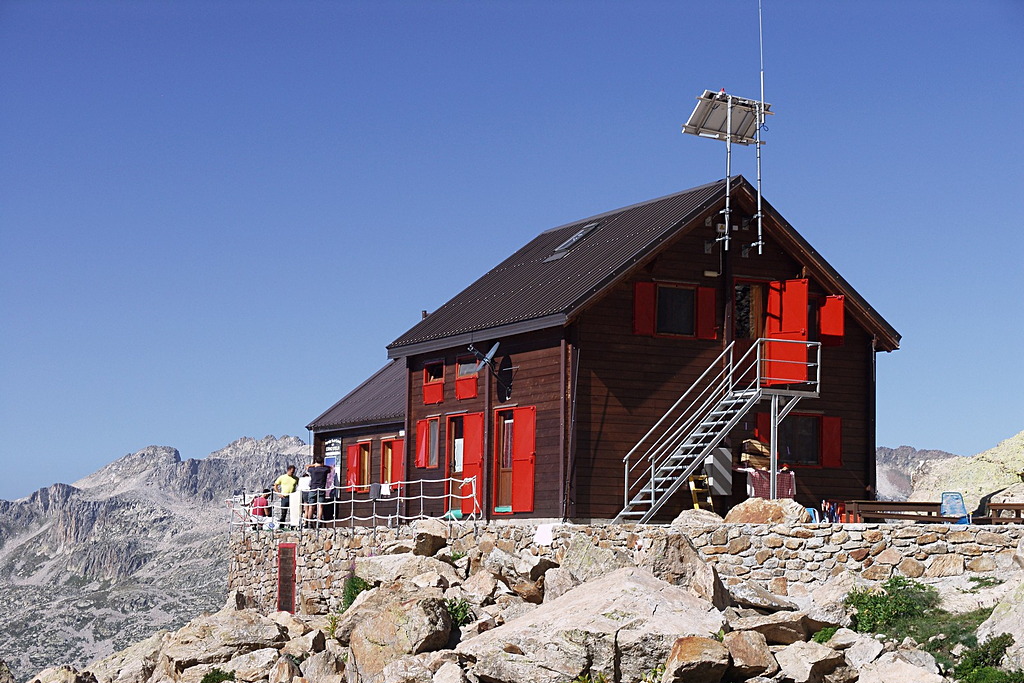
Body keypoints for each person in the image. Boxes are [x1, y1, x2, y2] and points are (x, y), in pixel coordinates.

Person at [304, 455, 331, 526]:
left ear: (316, 462)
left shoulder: (312, 470)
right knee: (320, 506)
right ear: (322, 462)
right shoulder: (324, 470)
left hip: (313, 489)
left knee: (311, 507)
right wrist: (322, 465)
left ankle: (310, 522)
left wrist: (314, 465)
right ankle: (319, 522)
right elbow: (330, 468)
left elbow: (306, 466)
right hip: (321, 489)